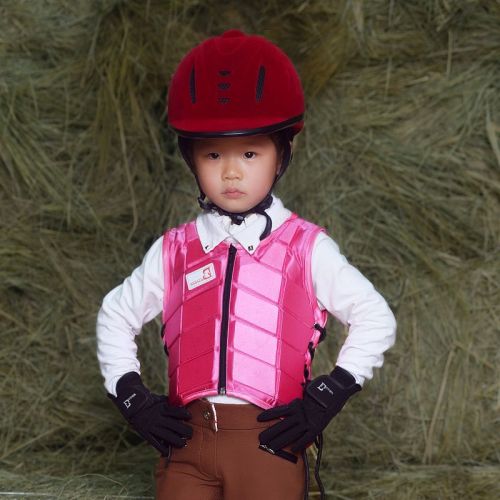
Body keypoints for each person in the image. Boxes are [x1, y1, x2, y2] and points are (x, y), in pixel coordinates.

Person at [96, 29, 396, 500]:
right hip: (186, 447)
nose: (231, 171)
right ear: (190, 158)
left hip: (266, 442)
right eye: (214, 154)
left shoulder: (306, 247)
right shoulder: (175, 249)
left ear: (281, 155)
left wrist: (329, 393)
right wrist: (131, 394)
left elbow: (375, 317)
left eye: (250, 153)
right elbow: (116, 313)